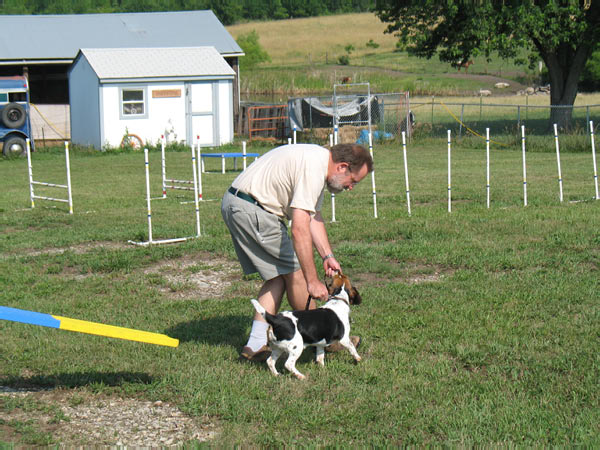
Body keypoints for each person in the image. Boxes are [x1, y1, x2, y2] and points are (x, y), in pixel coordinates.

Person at [221, 142, 373, 361]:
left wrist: (327, 256)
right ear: (342, 167)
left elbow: (313, 217)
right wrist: (311, 280)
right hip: (253, 209)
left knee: (278, 277)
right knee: (296, 276)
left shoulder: (318, 163)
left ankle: (254, 345)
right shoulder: (313, 168)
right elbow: (300, 228)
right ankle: (325, 336)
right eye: (353, 181)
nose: (351, 187)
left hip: (240, 203)